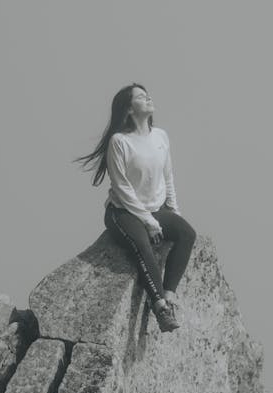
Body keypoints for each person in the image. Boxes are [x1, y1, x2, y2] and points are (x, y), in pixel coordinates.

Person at [73, 83, 197, 332]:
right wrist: (149, 222)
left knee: (187, 233)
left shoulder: (160, 136)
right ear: (129, 109)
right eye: (141, 97)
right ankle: (160, 306)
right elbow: (122, 188)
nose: (148, 98)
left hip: (154, 209)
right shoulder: (120, 142)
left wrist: (174, 212)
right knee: (143, 245)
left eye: (148, 94)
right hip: (123, 211)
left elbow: (167, 177)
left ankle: (170, 296)